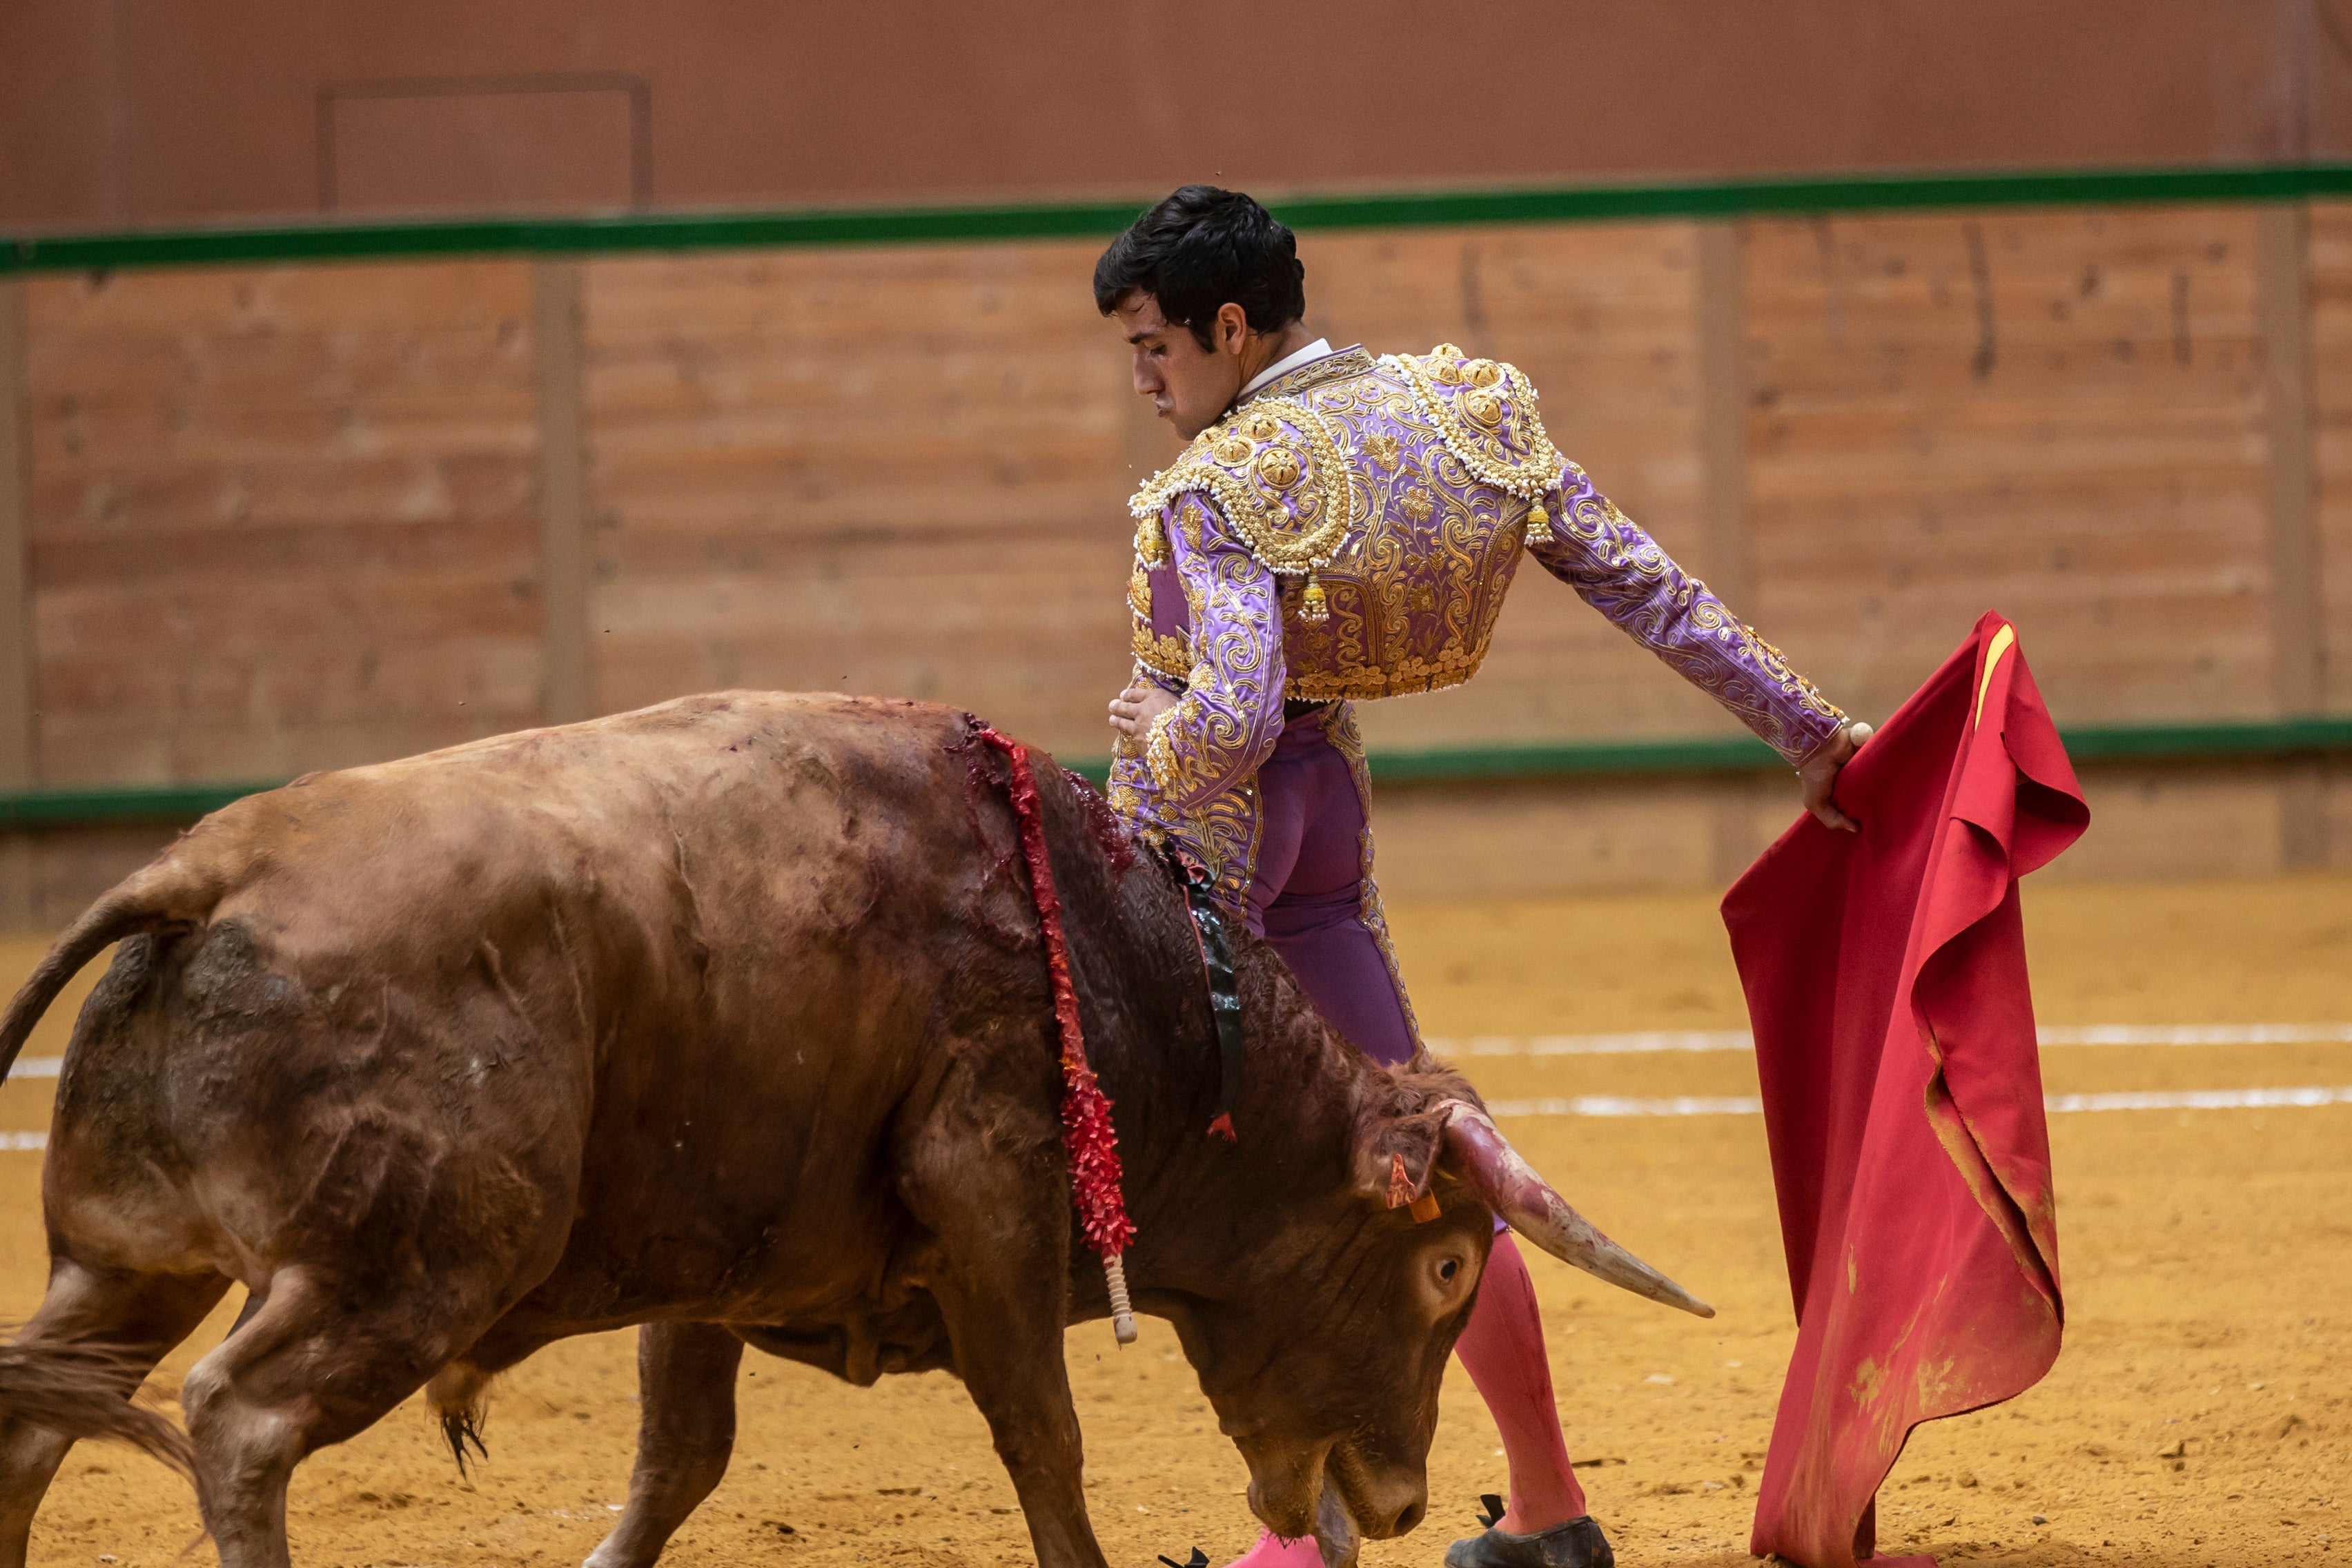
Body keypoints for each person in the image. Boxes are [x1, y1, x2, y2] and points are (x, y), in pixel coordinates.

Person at [1094, 186, 1863, 1568]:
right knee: (1430, 1155)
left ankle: (1299, 1540)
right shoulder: (1467, 414)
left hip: (1232, 840)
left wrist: (1154, 732)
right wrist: (1816, 735)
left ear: (1225, 325)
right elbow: (1654, 588)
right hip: (1326, 830)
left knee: (1262, 1176)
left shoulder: (1221, 482)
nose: (1142, 379)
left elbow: (1238, 713)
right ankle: (1552, 1507)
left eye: (1153, 346)